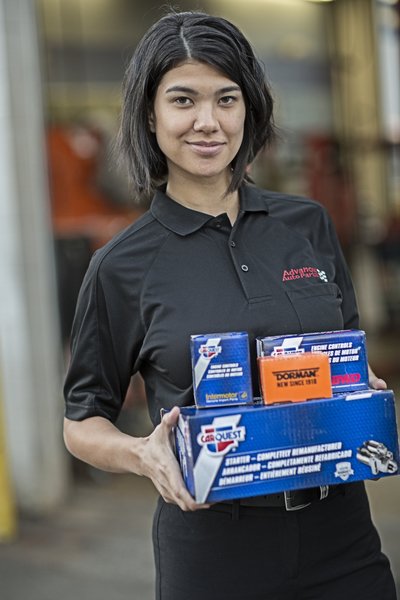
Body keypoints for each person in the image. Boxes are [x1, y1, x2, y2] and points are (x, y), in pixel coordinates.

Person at [63, 10, 397, 600]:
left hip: (342, 533)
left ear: (249, 109)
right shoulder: (121, 265)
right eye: (183, 100)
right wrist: (142, 454)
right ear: (150, 114)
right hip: (215, 549)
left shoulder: (308, 225)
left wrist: (362, 393)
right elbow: (81, 421)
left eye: (227, 99)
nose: (208, 122)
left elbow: (348, 357)